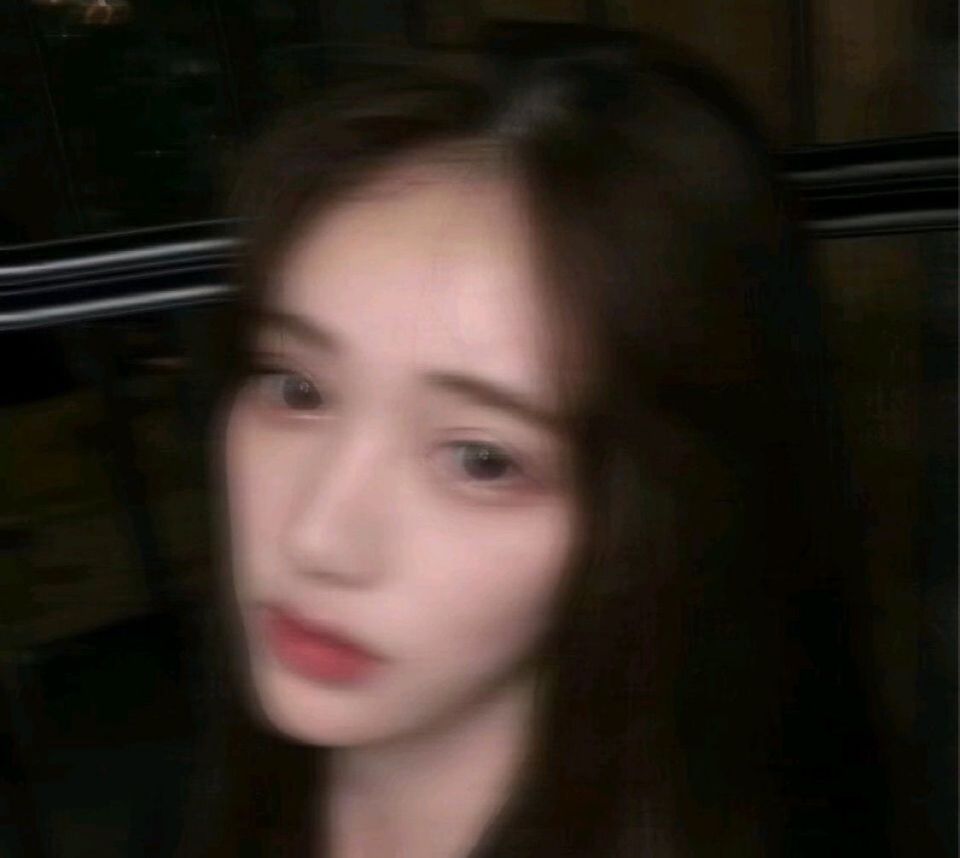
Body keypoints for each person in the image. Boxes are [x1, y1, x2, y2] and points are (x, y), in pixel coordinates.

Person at [180, 31, 872, 858]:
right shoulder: (210, 790)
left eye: (482, 460)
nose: (318, 539)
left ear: (656, 515)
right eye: (297, 389)